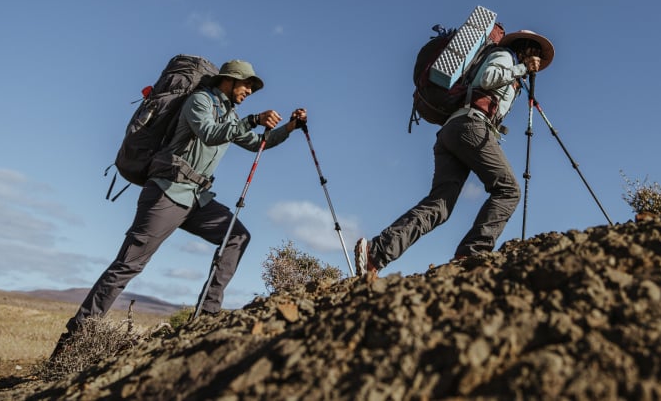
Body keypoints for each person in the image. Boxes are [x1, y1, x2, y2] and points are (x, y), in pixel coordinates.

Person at [53, 59, 306, 357]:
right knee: (128, 265)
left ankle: (206, 317)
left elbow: (255, 144)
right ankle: (72, 342)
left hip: (197, 199)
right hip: (166, 192)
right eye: (247, 84)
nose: (250, 90)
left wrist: (290, 126)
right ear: (230, 80)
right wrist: (251, 120)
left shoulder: (230, 113)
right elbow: (209, 133)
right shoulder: (199, 101)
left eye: (252, 87)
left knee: (236, 237)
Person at [355, 30, 553, 278]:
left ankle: (376, 253)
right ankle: (472, 254)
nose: (538, 59)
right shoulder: (504, 56)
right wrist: (521, 69)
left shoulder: (512, 69)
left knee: (440, 205)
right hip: (471, 126)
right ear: (525, 49)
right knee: (509, 189)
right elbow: (486, 78)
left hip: (455, 131)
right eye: (535, 52)